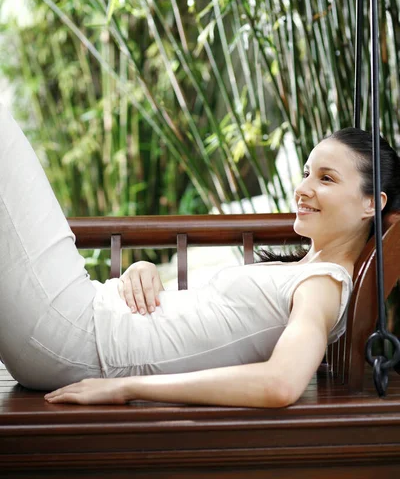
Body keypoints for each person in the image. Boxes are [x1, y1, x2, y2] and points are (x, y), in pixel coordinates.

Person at [0, 104, 399, 408]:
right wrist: (140, 272)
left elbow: (281, 382)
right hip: (83, 324)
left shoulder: (323, 286)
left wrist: (125, 387)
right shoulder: (304, 271)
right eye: (307, 172)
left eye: (326, 178)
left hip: (78, 337)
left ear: (370, 204)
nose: (303, 188)